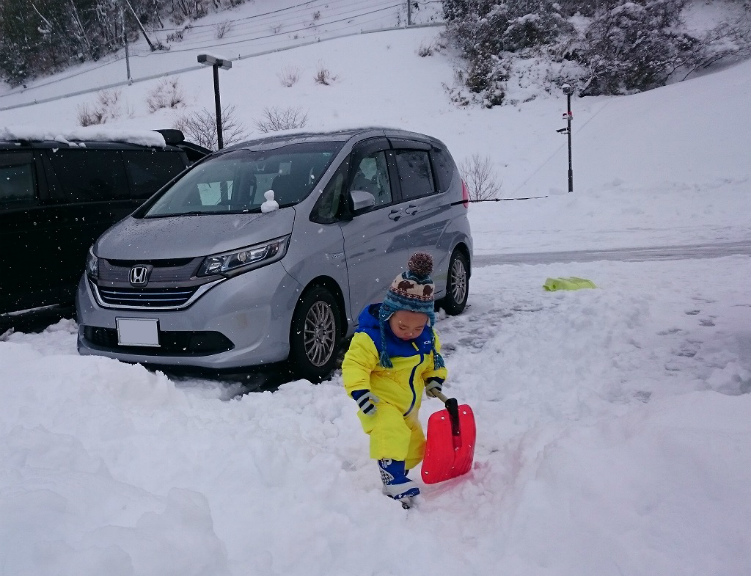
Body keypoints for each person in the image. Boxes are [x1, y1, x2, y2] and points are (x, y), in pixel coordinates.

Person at [342, 252, 447, 502]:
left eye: (418, 327)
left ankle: (400, 473)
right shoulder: (372, 338)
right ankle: (392, 480)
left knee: (413, 444)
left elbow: (433, 360)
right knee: (390, 432)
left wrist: (434, 378)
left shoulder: (425, 339)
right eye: (403, 327)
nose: (410, 333)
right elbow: (354, 364)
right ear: (389, 314)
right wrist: (360, 391)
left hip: (408, 405)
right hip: (380, 403)